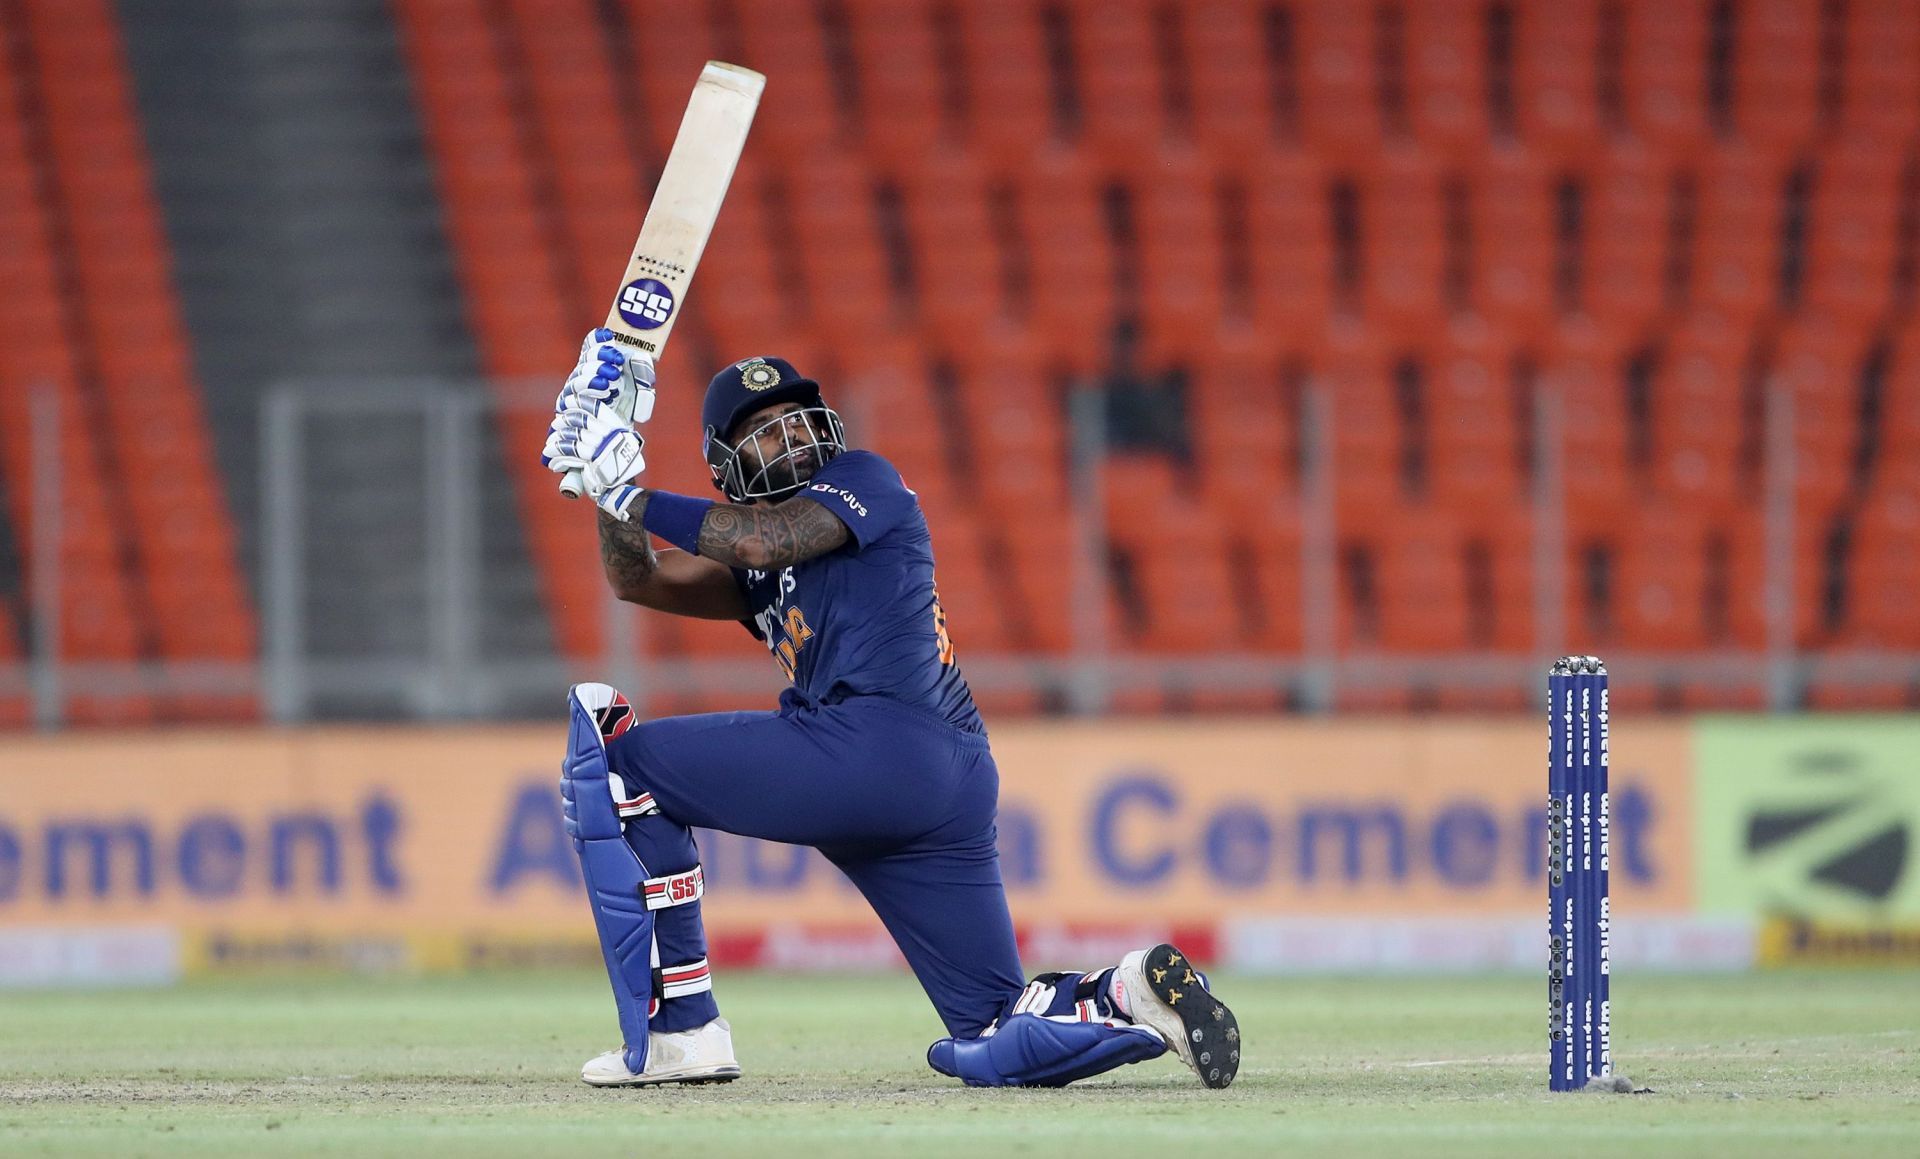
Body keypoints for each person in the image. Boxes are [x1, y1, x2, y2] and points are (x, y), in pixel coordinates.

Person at [539, 330, 1241, 1089]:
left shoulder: (862, 478)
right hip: (941, 777)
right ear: (726, 462)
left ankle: (681, 1030)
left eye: (797, 420)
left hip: (873, 746)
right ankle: (1128, 992)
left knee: (618, 766)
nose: (790, 439)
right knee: (991, 1024)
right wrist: (608, 474)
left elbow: (764, 541)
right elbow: (636, 580)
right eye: (763, 431)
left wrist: (628, 492)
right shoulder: (753, 561)